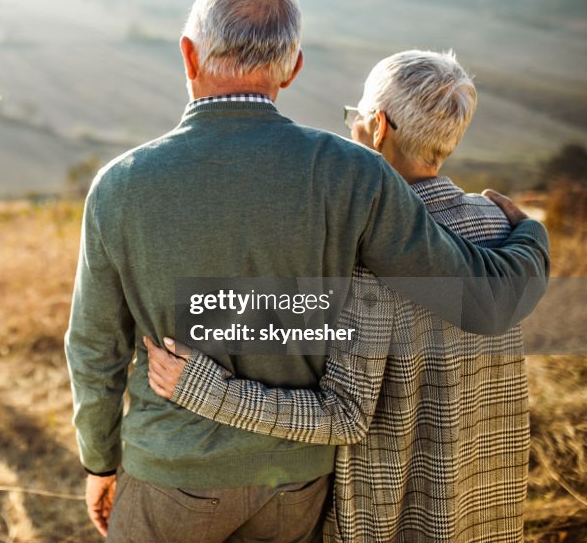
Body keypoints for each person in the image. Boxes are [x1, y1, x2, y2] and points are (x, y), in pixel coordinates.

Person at [64, 0, 549, 541]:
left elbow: (95, 349)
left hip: (171, 472)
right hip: (295, 483)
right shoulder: (352, 173)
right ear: (293, 68)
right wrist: (531, 238)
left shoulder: (120, 184)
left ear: (189, 56)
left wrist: (100, 461)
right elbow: (476, 298)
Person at [146, 50, 532, 541]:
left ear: (377, 127)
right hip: (485, 505)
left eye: (354, 118)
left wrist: (207, 390)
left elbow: (345, 416)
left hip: (393, 516)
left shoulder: (364, 253)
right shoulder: (499, 226)